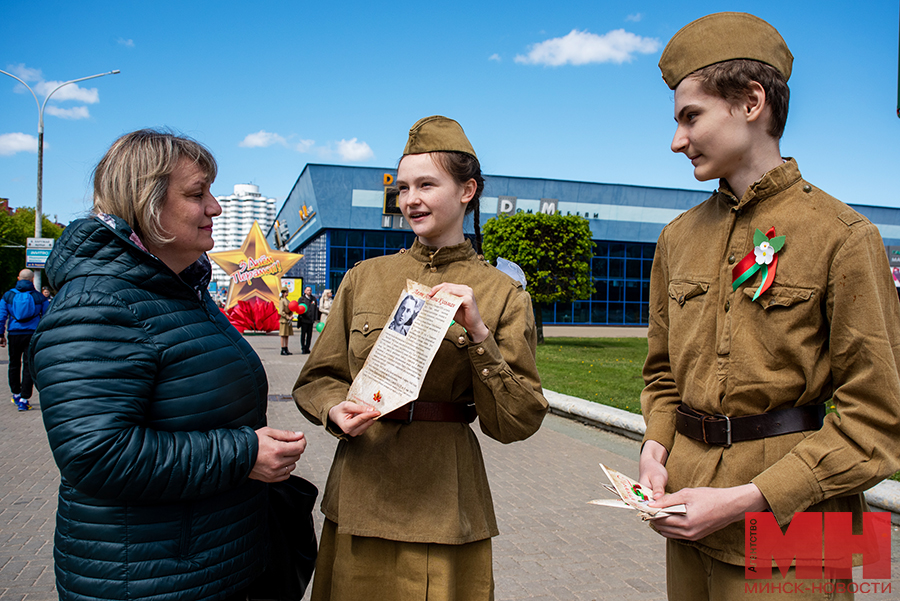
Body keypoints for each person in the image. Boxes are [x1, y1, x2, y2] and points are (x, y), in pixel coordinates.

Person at [637, 13, 900, 601]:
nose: (677, 140)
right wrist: (656, 448)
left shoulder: (844, 235)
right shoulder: (677, 238)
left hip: (803, 524)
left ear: (751, 102)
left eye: (690, 116)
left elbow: (879, 420)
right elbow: (660, 373)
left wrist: (744, 501)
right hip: (689, 513)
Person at [29, 129, 308, 601]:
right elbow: (96, 454)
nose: (215, 208)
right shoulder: (100, 303)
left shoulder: (178, 289)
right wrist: (243, 455)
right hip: (148, 578)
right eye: (197, 194)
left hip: (206, 562)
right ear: (148, 203)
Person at [293, 115, 548, 600]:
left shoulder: (502, 293)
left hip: (444, 501)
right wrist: (332, 409)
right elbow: (317, 377)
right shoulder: (363, 278)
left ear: (467, 190)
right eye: (404, 187)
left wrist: (478, 333)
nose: (411, 199)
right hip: (362, 487)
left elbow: (518, 420)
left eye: (427, 185)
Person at [0, 268, 50, 411]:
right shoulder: (39, 297)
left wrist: (0, 334)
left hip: (14, 333)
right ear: (32, 279)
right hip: (32, 334)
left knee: (14, 364)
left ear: (18, 278)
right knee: (29, 365)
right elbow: (46, 316)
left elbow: (2, 316)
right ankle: (24, 398)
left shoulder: (8, 296)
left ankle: (15, 393)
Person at [298, 285, 318, 353]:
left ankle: (307, 347)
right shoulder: (302, 299)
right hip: (304, 320)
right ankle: (303, 348)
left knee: (309, 335)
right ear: (305, 291)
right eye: (308, 290)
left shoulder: (313, 299)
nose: (309, 291)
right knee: (303, 335)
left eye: (310, 290)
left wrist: (315, 318)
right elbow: (299, 309)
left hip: (311, 320)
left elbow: (315, 309)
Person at [279, 287, 294, 355]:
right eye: (285, 292)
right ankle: (282, 349)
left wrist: (291, 315)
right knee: (283, 335)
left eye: (287, 292)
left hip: (288, 319)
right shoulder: (282, 300)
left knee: (287, 335)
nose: (287, 293)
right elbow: (281, 311)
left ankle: (286, 348)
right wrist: (288, 317)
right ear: (283, 293)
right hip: (284, 320)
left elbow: (290, 308)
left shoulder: (287, 300)